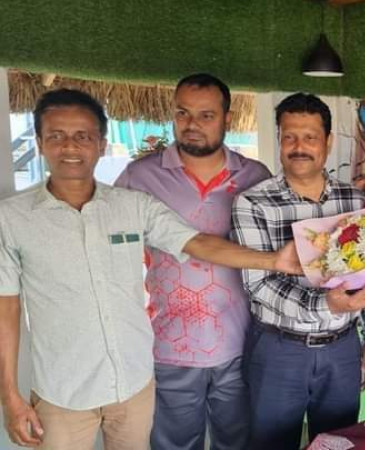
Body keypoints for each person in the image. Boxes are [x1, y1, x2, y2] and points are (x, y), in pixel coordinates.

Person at [0, 89, 299, 449]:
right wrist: (10, 396)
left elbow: (196, 242)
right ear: (39, 143)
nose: (70, 147)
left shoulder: (133, 206)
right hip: (64, 391)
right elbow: (6, 309)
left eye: (83, 136)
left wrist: (274, 260)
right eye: (56, 136)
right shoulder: (11, 219)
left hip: (135, 383)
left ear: (101, 144)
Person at [114, 73, 271, 450]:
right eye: (183, 113)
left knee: (237, 443)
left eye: (206, 115)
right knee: (174, 444)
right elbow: (113, 250)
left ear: (227, 118)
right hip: (170, 345)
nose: (192, 124)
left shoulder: (255, 176)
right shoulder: (141, 176)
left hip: (241, 343)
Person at [232, 93, 365, 450]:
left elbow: (364, 272)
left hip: (342, 348)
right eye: (289, 137)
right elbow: (259, 285)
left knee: (338, 443)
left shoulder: (353, 200)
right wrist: (327, 305)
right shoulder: (253, 202)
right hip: (279, 348)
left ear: (328, 142)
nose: (299, 147)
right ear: (279, 139)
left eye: (310, 137)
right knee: (270, 444)